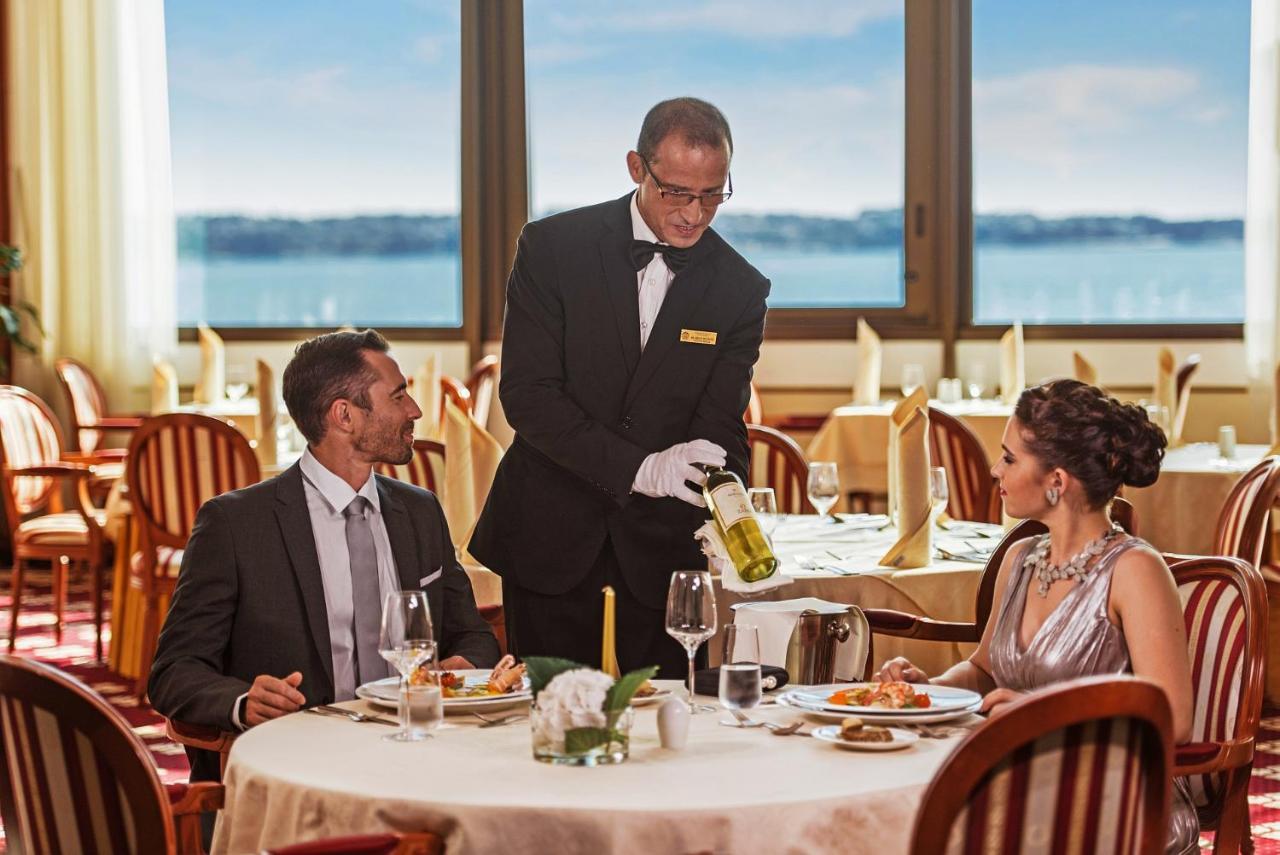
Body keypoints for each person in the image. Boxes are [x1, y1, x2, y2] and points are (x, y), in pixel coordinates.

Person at [470, 97, 769, 676]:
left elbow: (720, 425)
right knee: (548, 724)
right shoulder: (552, 248)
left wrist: (731, 514)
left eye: (713, 194)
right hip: (550, 532)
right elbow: (528, 396)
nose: (695, 214)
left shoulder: (739, 288)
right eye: (677, 192)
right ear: (637, 168)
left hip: (661, 551)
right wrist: (641, 469)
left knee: (664, 733)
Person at [150, 329, 500, 782]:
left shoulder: (419, 511)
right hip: (298, 766)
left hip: (420, 757)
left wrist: (459, 668)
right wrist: (242, 701)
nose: (414, 410)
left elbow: (475, 635)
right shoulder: (235, 525)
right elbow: (173, 672)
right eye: (398, 396)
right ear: (344, 416)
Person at [877, 379, 1198, 853]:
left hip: (1109, 803)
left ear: (1057, 481)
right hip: (1017, 780)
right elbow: (984, 670)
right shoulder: (1020, 557)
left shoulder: (1134, 570)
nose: (993, 469)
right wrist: (926, 692)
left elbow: (1173, 719)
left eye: (1009, 458)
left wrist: (1041, 717)